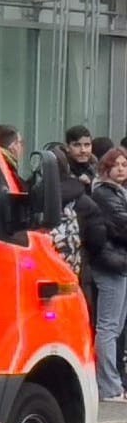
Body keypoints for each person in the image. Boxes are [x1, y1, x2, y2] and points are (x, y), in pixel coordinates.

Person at [86, 146, 127, 402]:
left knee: (115, 325)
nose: (121, 169)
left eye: (124, 164)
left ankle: (112, 383)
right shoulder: (104, 192)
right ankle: (108, 386)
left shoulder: (117, 191)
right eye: (117, 165)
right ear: (106, 168)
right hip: (110, 263)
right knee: (109, 326)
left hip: (118, 262)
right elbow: (122, 224)